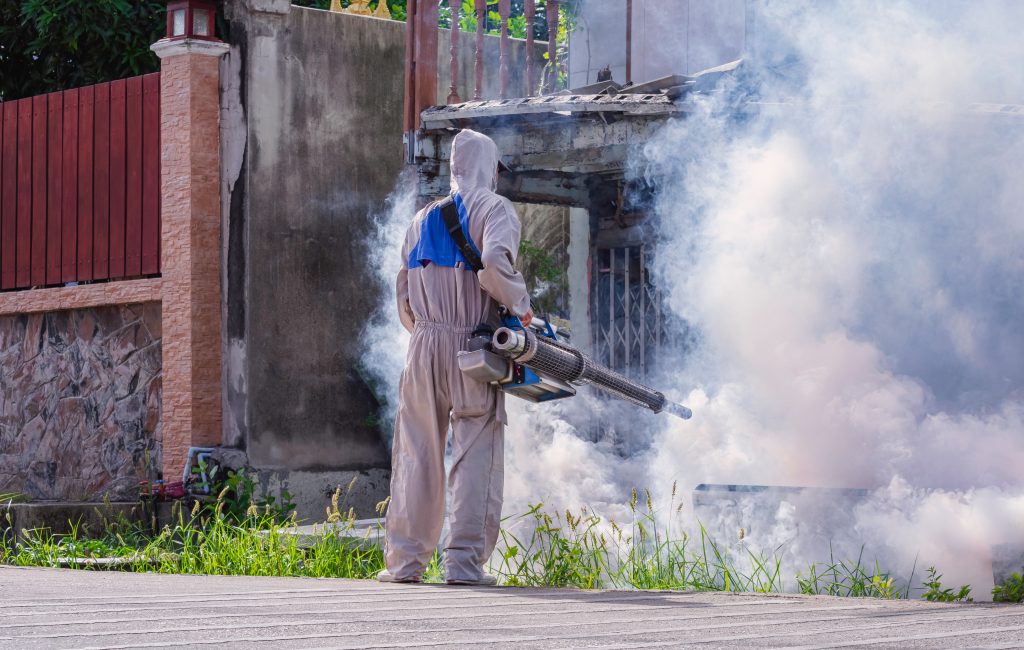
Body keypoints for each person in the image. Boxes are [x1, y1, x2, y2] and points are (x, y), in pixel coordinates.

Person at [379, 129, 532, 586]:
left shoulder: (420, 219)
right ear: (489, 168)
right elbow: (495, 264)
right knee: (474, 453)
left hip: (422, 345)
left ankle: (406, 564)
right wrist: (520, 306)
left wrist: (425, 332)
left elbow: (403, 293)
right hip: (472, 346)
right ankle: (463, 566)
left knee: (417, 453)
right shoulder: (495, 208)